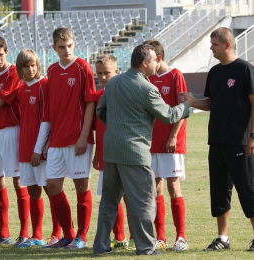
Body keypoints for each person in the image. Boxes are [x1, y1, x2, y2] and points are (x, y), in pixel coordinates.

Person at [93, 43, 195, 255]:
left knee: (109, 201)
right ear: (144, 62)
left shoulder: (113, 83)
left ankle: (101, 246)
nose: (157, 63)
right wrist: (187, 106)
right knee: (142, 202)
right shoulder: (148, 88)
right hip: (135, 153)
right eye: (154, 60)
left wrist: (116, 127)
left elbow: (101, 111)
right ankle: (147, 247)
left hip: (111, 150)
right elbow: (168, 115)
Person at [181, 27, 254, 251]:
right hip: (217, 140)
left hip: (240, 140)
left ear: (227, 45)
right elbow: (212, 103)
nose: (211, 48)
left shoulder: (245, 69)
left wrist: (252, 135)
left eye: (214, 44)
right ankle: (223, 239)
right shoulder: (213, 72)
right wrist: (194, 102)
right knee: (220, 190)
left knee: (248, 189)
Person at [43, 27, 96, 249]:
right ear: (54, 48)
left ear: (74, 44)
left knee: (81, 186)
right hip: (56, 140)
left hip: (78, 139)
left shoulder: (83, 67)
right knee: (52, 185)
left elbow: (90, 101)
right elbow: (50, 109)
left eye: (70, 46)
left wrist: (84, 136)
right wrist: (46, 140)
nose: (67, 50)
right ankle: (67, 234)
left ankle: (81, 237)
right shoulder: (52, 70)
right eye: (62, 47)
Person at [143, 39, 188, 251]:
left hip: (171, 143)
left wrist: (173, 136)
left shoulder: (175, 75)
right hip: (151, 143)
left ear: (158, 58)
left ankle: (181, 237)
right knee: (155, 187)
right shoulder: (147, 78)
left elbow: (183, 108)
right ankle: (160, 237)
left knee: (173, 186)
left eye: (149, 59)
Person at [14, 49, 62, 247]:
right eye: (26, 66)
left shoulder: (43, 85)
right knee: (33, 191)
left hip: (39, 150)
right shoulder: (21, 88)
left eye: (33, 65)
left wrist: (38, 148)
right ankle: (36, 236)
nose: (30, 69)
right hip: (24, 148)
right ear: (20, 68)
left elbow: (46, 120)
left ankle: (57, 233)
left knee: (50, 189)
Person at [0, 36, 30, 245]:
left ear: (6, 52)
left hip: (11, 131)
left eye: (1, 55)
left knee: (18, 180)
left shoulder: (14, 72)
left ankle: (24, 232)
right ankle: (3, 233)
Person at [93, 54, 128, 248]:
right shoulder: (98, 97)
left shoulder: (125, 93)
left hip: (125, 152)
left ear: (117, 72)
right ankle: (120, 236)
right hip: (106, 154)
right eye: (99, 73)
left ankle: (134, 235)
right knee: (110, 196)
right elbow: (99, 129)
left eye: (107, 73)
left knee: (130, 196)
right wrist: (97, 154)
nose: (103, 77)